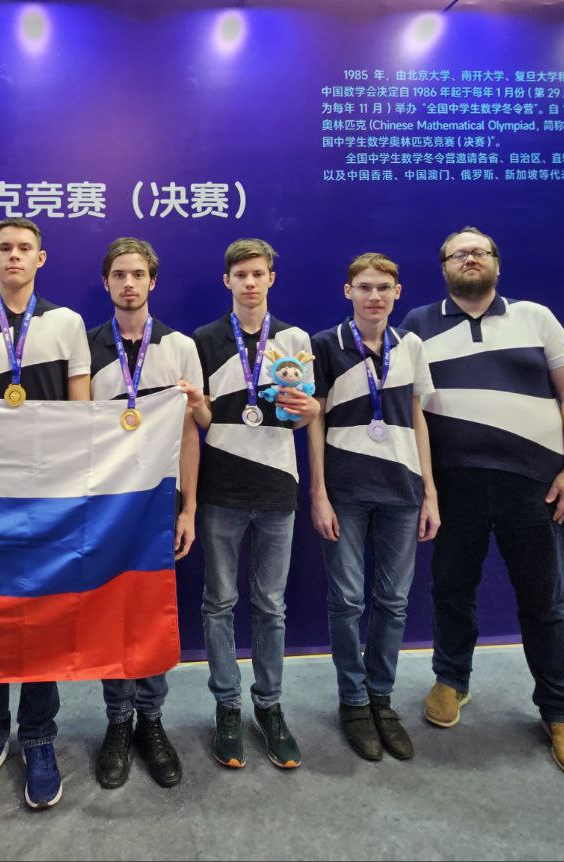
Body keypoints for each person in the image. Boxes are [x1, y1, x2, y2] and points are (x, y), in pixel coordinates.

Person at [400, 226, 564, 780]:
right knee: (451, 589)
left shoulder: (535, 317)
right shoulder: (417, 324)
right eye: (458, 253)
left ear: (496, 263)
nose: (469, 258)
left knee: (545, 603)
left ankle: (560, 713)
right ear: (443, 266)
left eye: (479, 251)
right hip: (454, 488)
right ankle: (451, 680)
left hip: (534, 488)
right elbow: (407, 407)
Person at [0, 217, 91, 811]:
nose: (14, 256)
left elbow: (82, 417)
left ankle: (38, 735)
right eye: (4, 248)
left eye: (25, 248)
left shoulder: (68, 323)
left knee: (42, 618)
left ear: (40, 258)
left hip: (49, 497)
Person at [189, 238, 320, 771]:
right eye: (240, 274)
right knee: (219, 603)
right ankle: (227, 705)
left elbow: (299, 416)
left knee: (270, 606)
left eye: (258, 274)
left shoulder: (293, 339)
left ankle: (269, 705)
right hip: (221, 488)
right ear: (227, 281)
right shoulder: (202, 340)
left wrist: (311, 410)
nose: (249, 282)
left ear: (271, 279)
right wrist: (198, 408)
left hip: (276, 489)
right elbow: (203, 422)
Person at [306, 252, 439, 762]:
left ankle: (381, 697)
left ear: (397, 293)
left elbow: (418, 418)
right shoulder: (325, 344)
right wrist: (318, 493)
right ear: (348, 292)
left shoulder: (411, 346)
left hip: (403, 490)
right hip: (345, 491)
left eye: (384, 287)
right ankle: (354, 701)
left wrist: (430, 492)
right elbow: (314, 422)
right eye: (364, 287)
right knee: (347, 602)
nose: (374, 296)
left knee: (394, 601)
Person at [87, 237, 202, 790]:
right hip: (108, 503)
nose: (128, 283)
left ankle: (151, 720)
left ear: (152, 281)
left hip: (161, 501)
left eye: (138, 274)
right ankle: (117, 720)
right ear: (106, 282)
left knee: (153, 611)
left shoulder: (180, 346)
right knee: (113, 611)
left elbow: (190, 431)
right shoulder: (88, 346)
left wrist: (190, 507)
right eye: (119, 275)